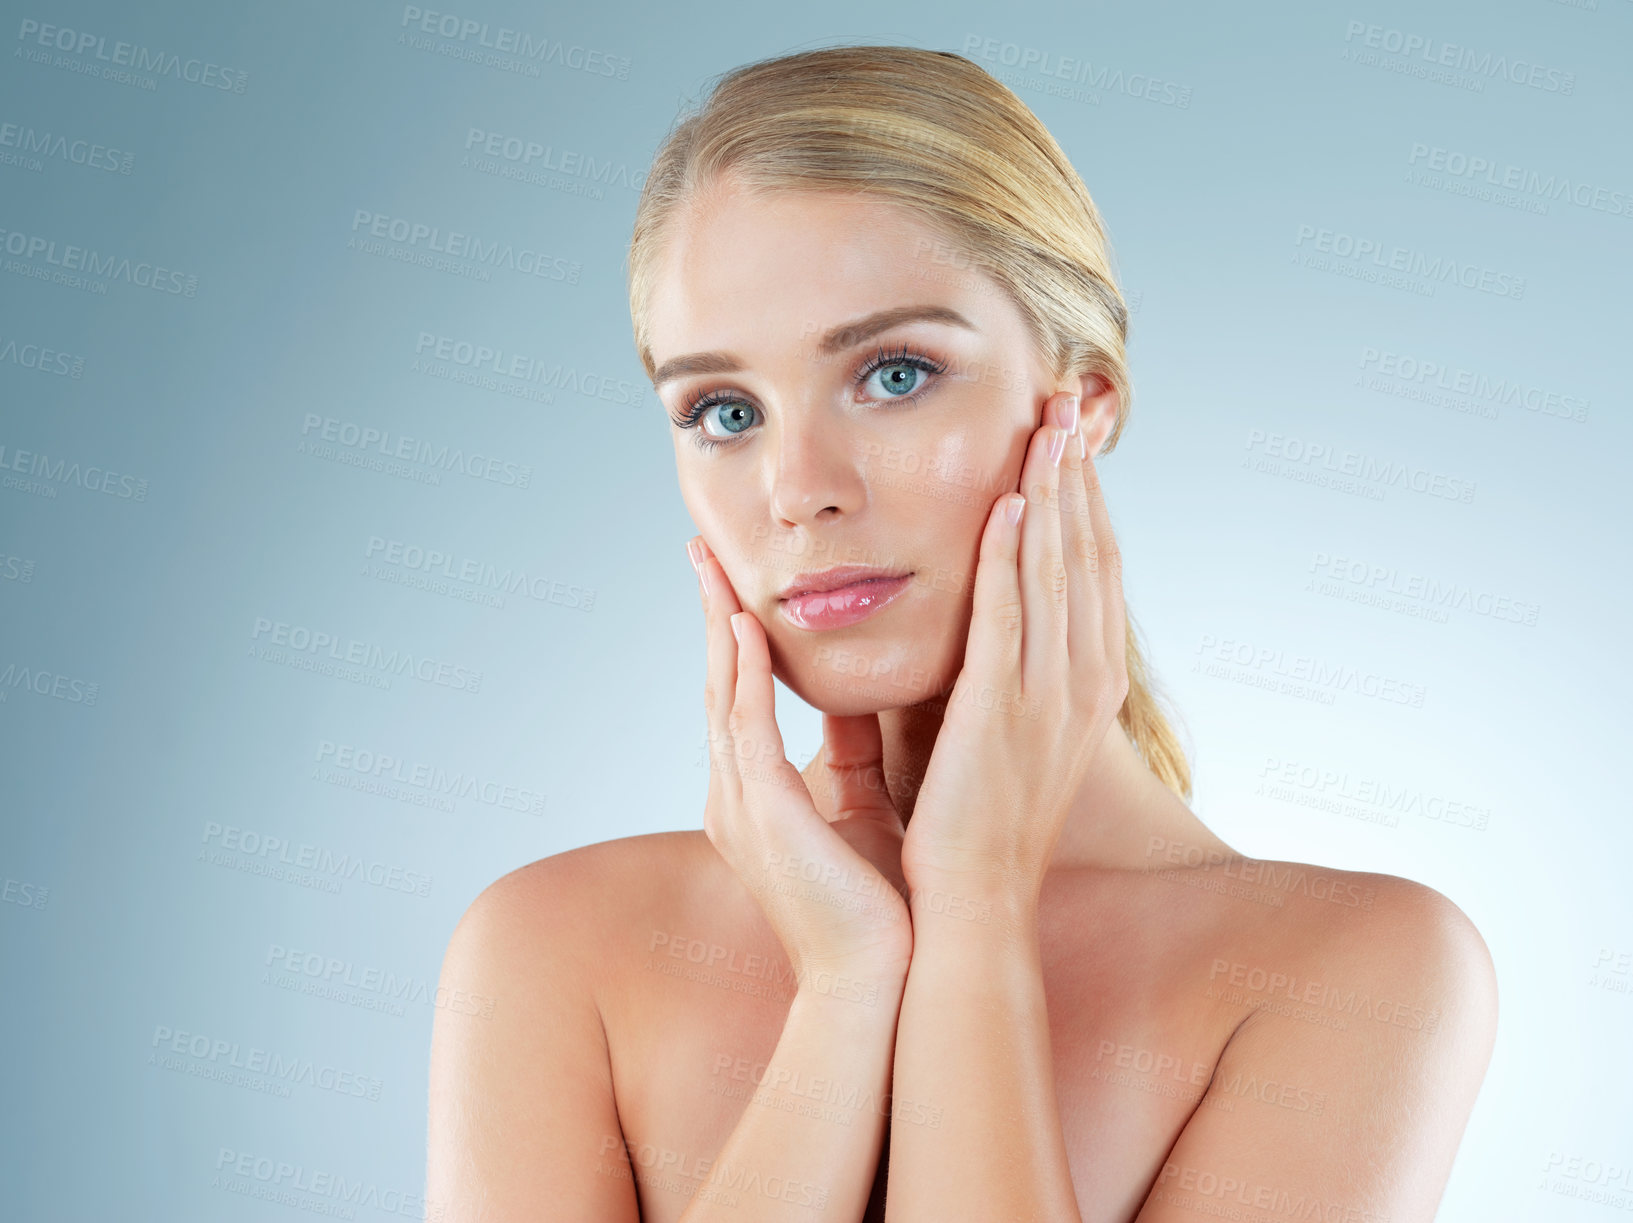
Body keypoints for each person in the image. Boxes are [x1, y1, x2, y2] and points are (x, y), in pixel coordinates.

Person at [426, 45, 1497, 1223]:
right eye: (723, 411)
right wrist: (845, 988)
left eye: (895, 373)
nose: (796, 487)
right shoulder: (552, 946)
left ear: (1079, 405)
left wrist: (976, 904)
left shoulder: (1357, 972)